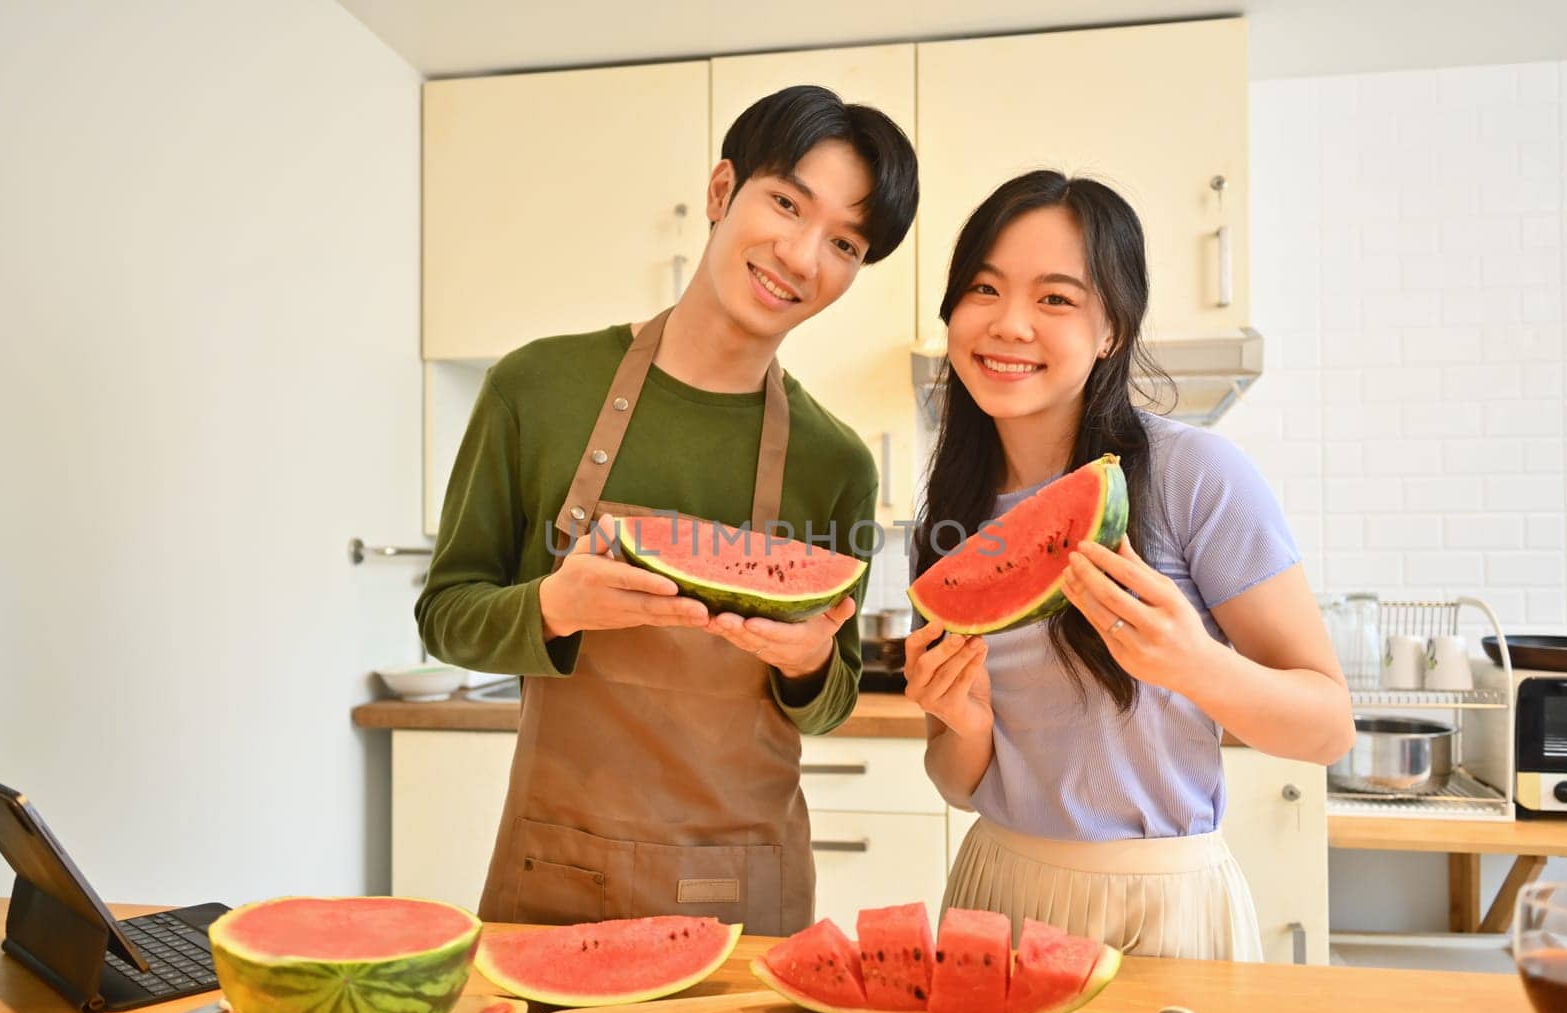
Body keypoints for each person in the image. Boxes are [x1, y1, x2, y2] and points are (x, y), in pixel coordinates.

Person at [416, 85, 919, 936]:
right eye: (787, 203)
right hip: (555, 873)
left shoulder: (836, 463)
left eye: (843, 242)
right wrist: (552, 605)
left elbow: (831, 696)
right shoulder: (536, 388)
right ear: (722, 192)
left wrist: (804, 664)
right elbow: (445, 614)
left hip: (743, 892)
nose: (801, 255)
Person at [903, 169, 1353, 961]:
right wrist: (966, 724)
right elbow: (955, 778)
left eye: (1055, 298)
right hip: (995, 892)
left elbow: (1328, 727)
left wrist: (1193, 662)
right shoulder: (951, 514)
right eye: (983, 288)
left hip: (1163, 906)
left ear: (1111, 329)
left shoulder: (1194, 475)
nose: (1009, 324)